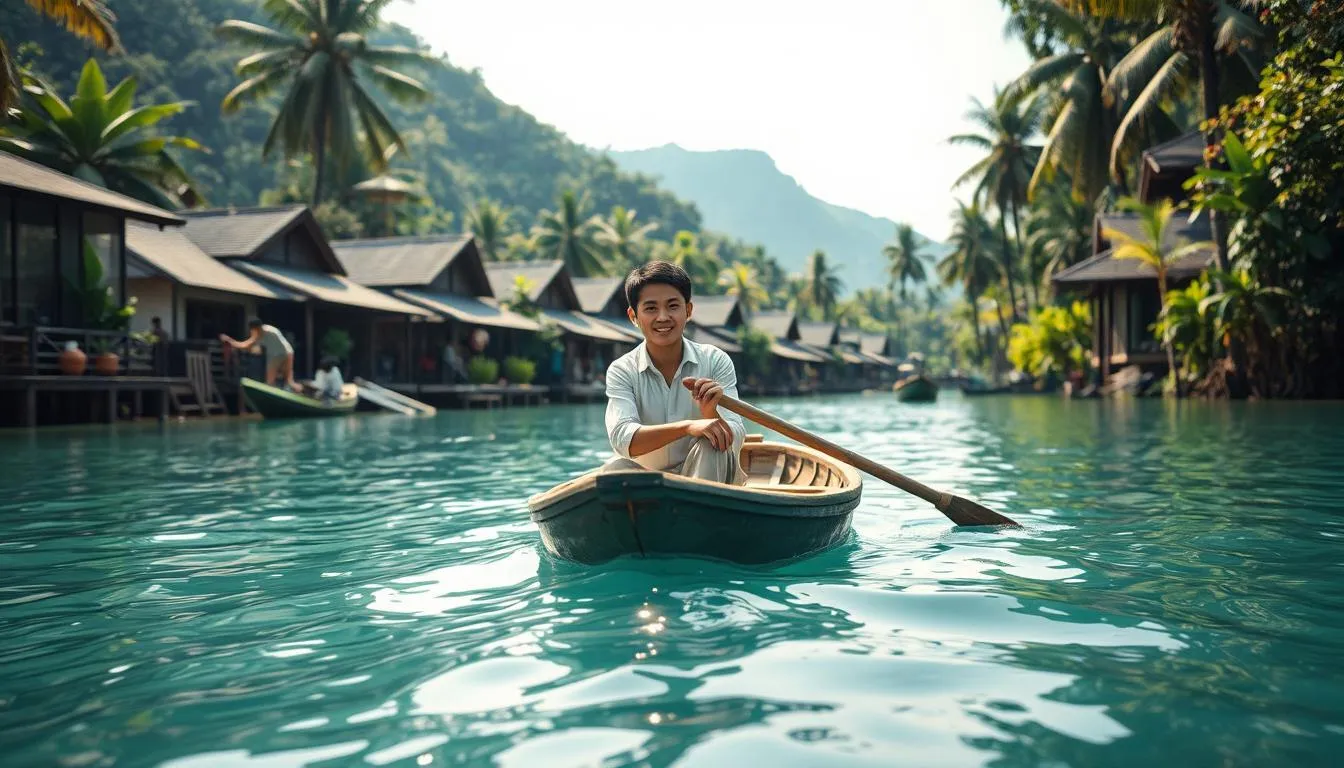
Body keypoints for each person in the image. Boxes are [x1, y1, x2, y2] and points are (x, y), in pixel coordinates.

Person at [602, 261, 746, 484]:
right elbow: (622, 438)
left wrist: (711, 414)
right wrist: (688, 427)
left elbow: (737, 436)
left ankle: (696, 505)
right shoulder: (622, 370)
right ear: (633, 316)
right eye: (651, 308)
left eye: (672, 306)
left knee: (711, 443)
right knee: (614, 468)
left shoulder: (715, 360)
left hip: (709, 482)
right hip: (652, 486)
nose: (662, 317)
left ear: (688, 311)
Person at [219, 318, 296, 391]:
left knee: (270, 382)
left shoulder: (261, 333)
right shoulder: (268, 329)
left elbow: (245, 345)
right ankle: (299, 391)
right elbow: (251, 347)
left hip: (278, 356)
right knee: (289, 381)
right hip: (289, 352)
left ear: (254, 328)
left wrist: (229, 341)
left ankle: (271, 396)